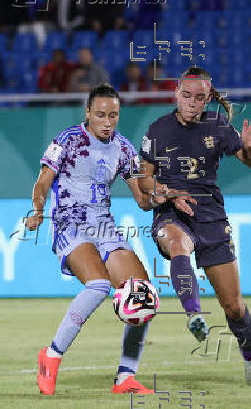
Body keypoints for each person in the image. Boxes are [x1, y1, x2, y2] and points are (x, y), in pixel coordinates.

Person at [26, 83, 160, 395]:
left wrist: (162, 195)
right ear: (88, 113)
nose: (107, 121)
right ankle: (52, 355)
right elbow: (43, 181)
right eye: (100, 114)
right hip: (69, 223)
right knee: (98, 285)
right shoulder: (68, 140)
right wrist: (37, 208)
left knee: (143, 294)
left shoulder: (124, 148)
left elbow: (142, 200)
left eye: (113, 115)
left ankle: (125, 377)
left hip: (105, 227)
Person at [138, 66, 251, 385]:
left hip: (210, 214)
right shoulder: (157, 130)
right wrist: (167, 194)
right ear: (176, 94)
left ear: (208, 98)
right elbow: (144, 181)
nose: (192, 102)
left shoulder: (218, 125)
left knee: (234, 307)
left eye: (199, 97)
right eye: (186, 95)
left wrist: (249, 148)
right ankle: (194, 314)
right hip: (171, 210)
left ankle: (250, 359)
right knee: (177, 243)